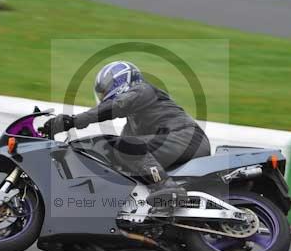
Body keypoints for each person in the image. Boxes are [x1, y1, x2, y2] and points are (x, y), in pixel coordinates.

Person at [44, 61, 211, 206]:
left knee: (126, 146)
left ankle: (166, 188)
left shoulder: (143, 90)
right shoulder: (133, 121)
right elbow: (118, 148)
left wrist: (72, 121)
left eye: (104, 91)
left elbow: (116, 106)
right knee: (119, 148)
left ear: (120, 81)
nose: (102, 97)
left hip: (188, 138)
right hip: (181, 142)